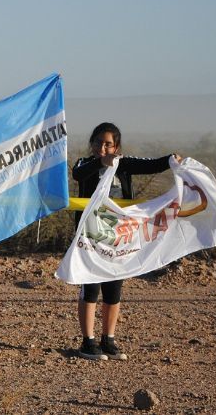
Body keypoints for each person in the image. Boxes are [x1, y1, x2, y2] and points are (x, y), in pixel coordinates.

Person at [71, 122, 181, 361]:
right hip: (90, 237)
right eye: (98, 142)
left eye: (108, 144)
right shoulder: (84, 163)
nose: (103, 147)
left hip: (120, 237)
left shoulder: (124, 164)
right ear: (92, 144)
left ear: (116, 147)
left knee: (114, 287)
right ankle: (87, 341)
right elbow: (77, 174)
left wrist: (172, 160)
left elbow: (151, 165)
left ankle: (108, 339)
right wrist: (101, 163)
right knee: (90, 287)